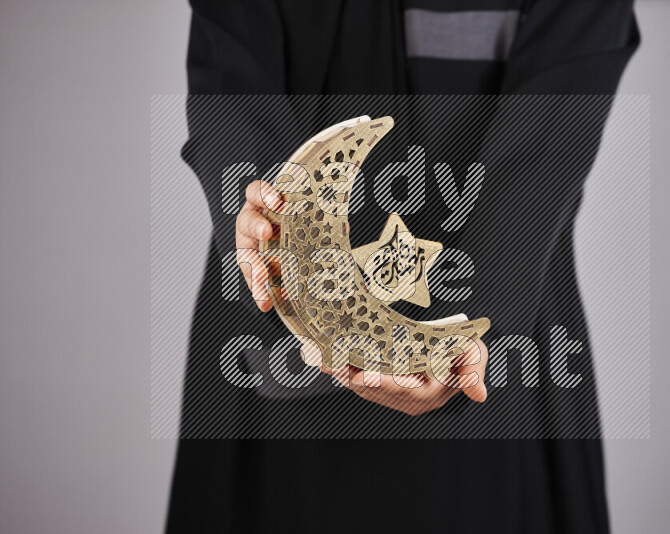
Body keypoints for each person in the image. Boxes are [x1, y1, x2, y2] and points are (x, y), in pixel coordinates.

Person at [167, 1, 639, 532]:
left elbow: (554, 123)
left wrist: (460, 333)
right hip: (272, 304)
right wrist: (265, 219)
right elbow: (233, 70)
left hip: (507, 298)